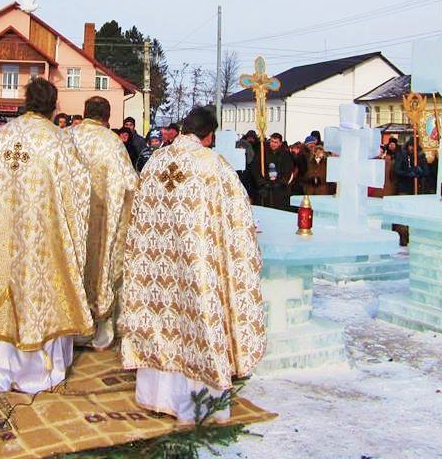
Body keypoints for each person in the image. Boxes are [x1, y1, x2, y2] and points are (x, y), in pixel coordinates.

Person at [119, 107, 265, 424]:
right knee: (197, 323)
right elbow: (237, 219)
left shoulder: (156, 161)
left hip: (157, 268)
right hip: (197, 267)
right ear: (209, 134)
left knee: (161, 320)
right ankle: (197, 404)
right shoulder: (212, 165)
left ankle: (156, 396)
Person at [0, 78, 92, 393]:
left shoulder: (3, 135)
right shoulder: (57, 139)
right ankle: (39, 373)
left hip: (4, 233)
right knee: (41, 295)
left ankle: (3, 369)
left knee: (7, 294)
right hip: (43, 239)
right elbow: (78, 190)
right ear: (54, 106)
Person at [68, 97, 138, 349]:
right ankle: (102, 325)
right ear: (107, 118)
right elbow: (130, 184)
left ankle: (71, 323)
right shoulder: (112, 143)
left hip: (70, 224)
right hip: (102, 222)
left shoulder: (67, 138)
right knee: (101, 268)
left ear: (84, 113)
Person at [249, 132, 293, 209]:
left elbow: (288, 171)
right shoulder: (263, 152)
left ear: (280, 143)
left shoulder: (285, 154)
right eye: (272, 141)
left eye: (276, 142)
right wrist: (261, 182)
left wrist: (280, 183)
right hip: (265, 188)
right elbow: (255, 168)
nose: (273, 144)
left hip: (279, 190)